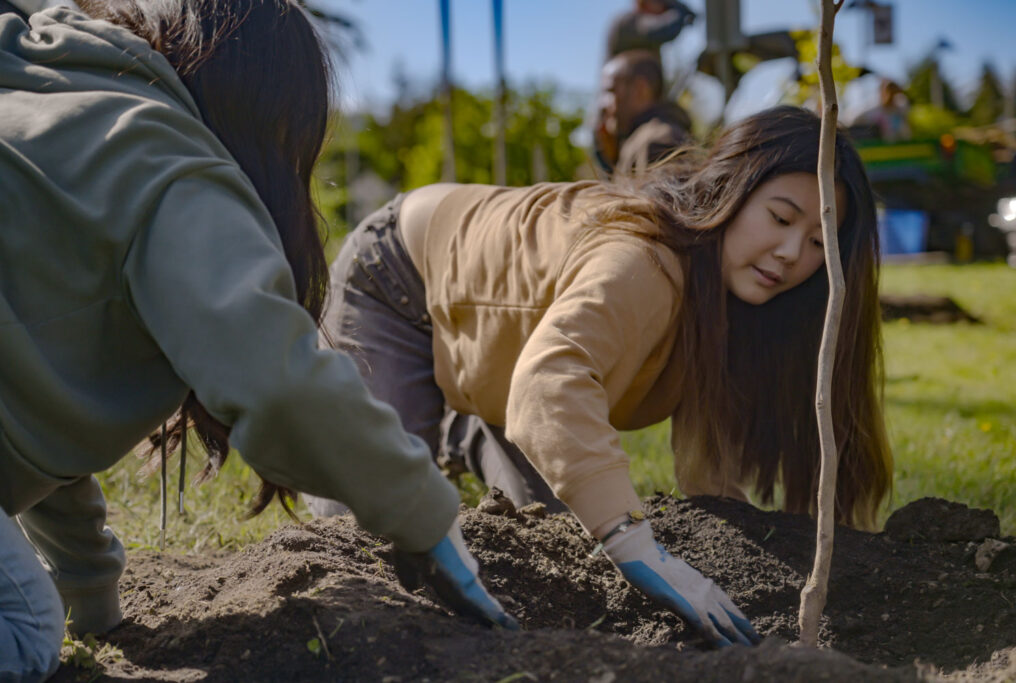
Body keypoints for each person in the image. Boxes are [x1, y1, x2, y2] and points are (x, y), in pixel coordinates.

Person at [0, 0, 516, 679]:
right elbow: (278, 379)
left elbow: (33, 393)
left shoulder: (54, 84)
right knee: (25, 628)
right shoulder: (163, 160)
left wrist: (93, 601)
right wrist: (427, 513)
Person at [303, 105, 893, 648]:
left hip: (526, 357)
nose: (792, 252)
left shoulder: (735, 295)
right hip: (402, 278)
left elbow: (705, 464)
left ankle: (472, 426)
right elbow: (548, 385)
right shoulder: (645, 260)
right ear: (730, 190)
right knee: (370, 541)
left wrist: (733, 561)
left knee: (561, 547)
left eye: (819, 241)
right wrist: (635, 543)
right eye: (781, 217)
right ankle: (457, 428)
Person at [594, 48, 692, 176]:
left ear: (640, 89)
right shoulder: (644, 140)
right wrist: (613, 158)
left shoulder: (657, 143)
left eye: (611, 91)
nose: (603, 104)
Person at [606, 0, 697, 66]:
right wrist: (679, 10)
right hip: (622, 90)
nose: (664, 7)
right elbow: (664, 31)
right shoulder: (629, 21)